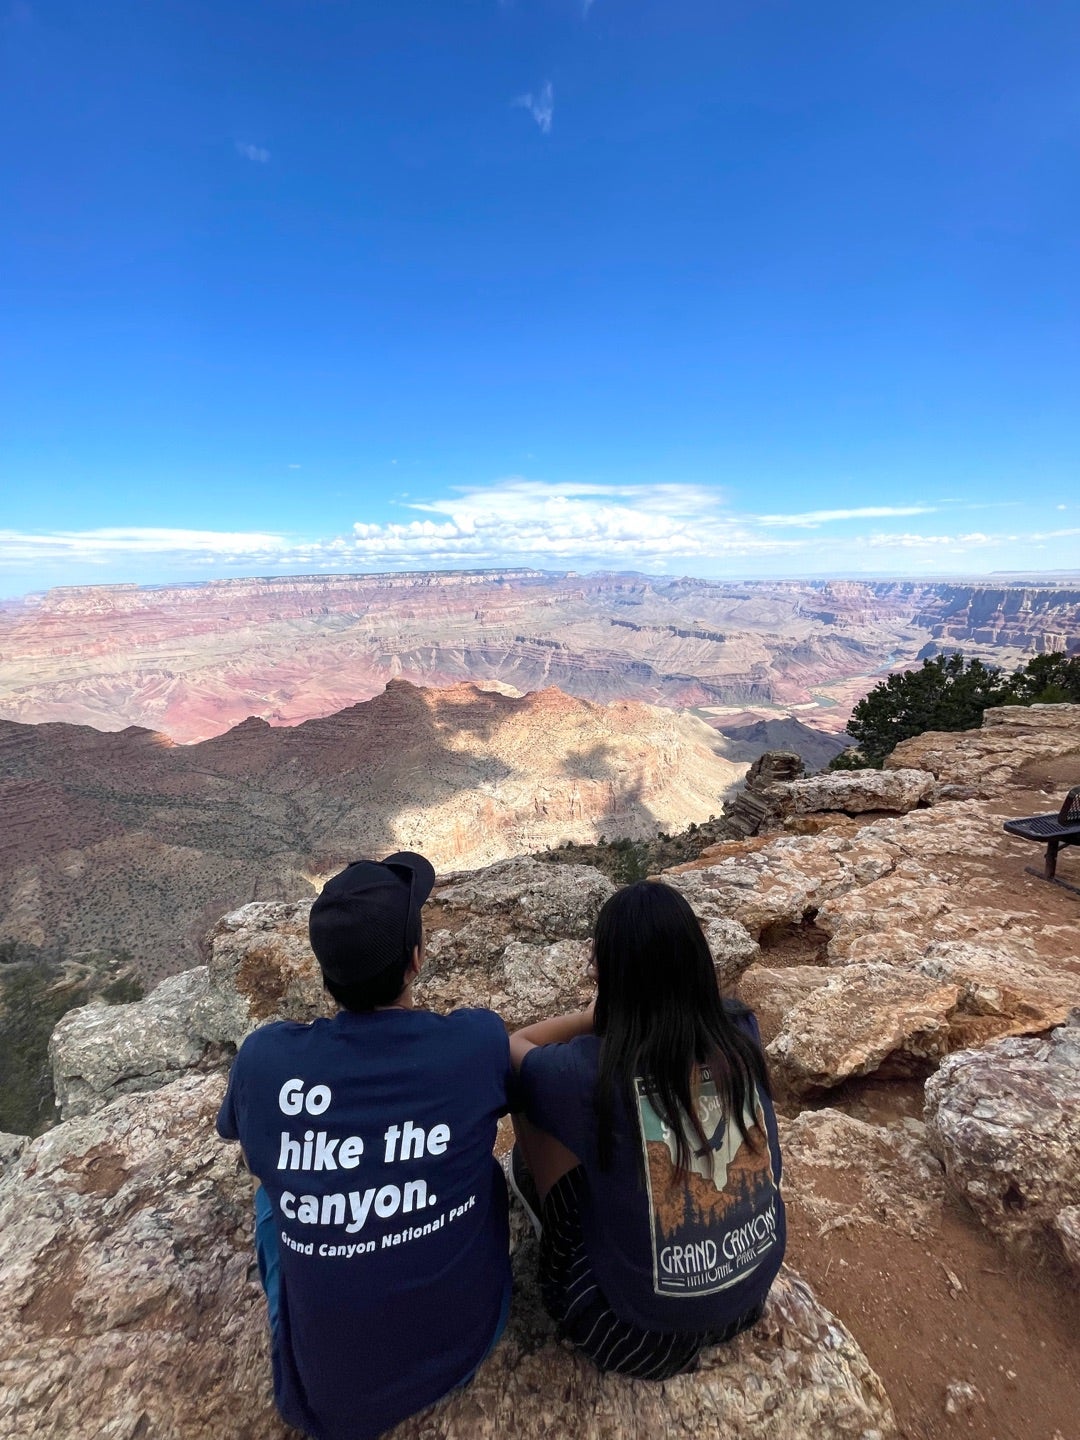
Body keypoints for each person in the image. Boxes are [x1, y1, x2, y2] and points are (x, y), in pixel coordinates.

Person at [216, 851, 513, 1440]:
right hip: (470, 1337)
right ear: (416, 962)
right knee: (482, 1167)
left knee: (272, 1196)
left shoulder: (265, 1060)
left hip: (331, 1395)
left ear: (324, 971)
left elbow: (245, 1146)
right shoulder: (474, 1042)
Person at [508, 879, 785, 1380]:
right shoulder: (741, 1030)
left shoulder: (590, 1072)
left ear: (610, 974)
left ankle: (544, 1213)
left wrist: (594, 1014)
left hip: (633, 1337)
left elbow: (516, 1046)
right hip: (750, 1295)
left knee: (528, 1094)